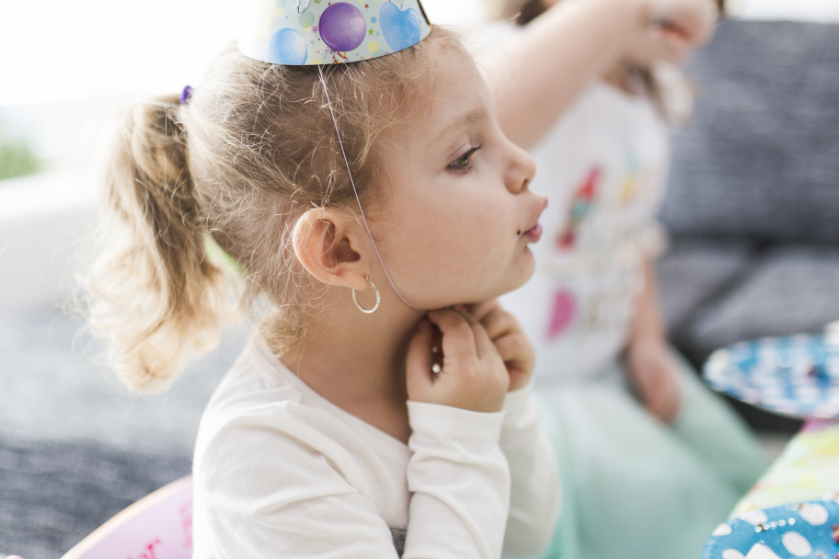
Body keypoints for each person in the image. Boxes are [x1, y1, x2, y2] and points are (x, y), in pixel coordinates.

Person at [82, 2, 559, 556]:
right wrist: (462, 444)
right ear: (339, 249)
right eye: (465, 156)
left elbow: (526, 543)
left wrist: (506, 411)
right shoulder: (267, 457)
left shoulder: (450, 358)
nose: (524, 161)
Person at [475, 0, 768, 558]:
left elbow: (632, 236)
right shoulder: (531, 77)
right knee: (668, 512)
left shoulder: (652, 90)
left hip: (611, 360)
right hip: (546, 389)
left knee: (745, 478)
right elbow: (480, 124)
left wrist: (648, 342)